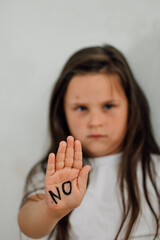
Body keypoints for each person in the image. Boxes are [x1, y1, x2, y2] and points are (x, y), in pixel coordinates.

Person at [18, 45, 160, 240]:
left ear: (131, 106)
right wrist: (51, 210)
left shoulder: (156, 170)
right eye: (81, 108)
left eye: (108, 106)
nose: (95, 122)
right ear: (62, 112)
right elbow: (29, 224)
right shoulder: (52, 172)